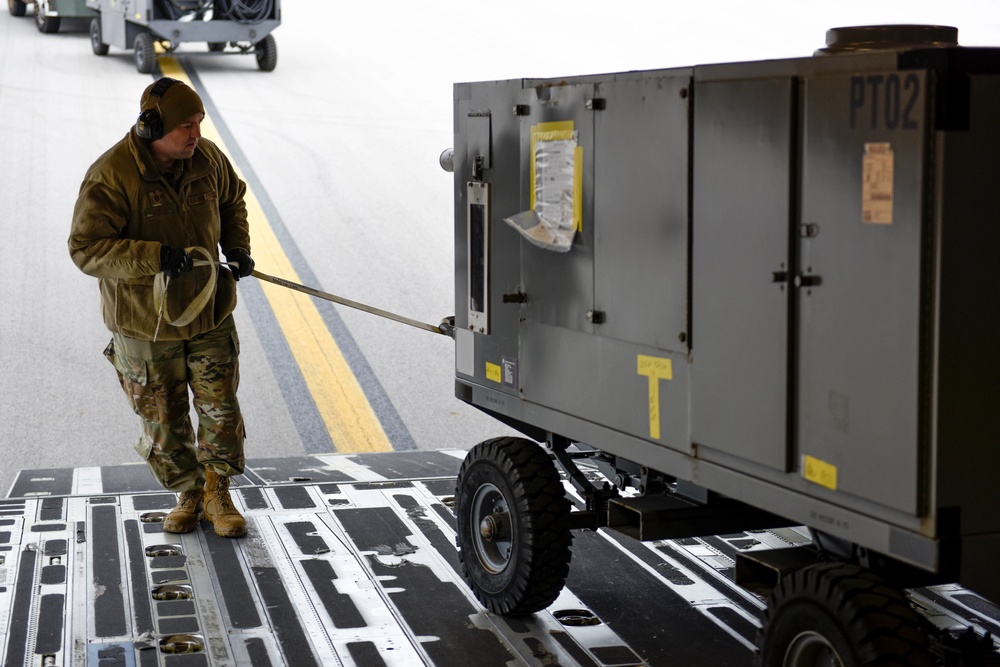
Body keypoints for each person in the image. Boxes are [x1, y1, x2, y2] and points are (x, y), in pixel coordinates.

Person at [69, 77, 255, 538]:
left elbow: (233, 201)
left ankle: (217, 491)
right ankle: (188, 492)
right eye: (185, 127)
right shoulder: (111, 175)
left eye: (199, 123)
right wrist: (153, 258)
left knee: (221, 411)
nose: (195, 134)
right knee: (164, 422)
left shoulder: (207, 159)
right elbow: (86, 249)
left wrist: (238, 246)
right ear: (152, 128)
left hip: (209, 312)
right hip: (145, 325)